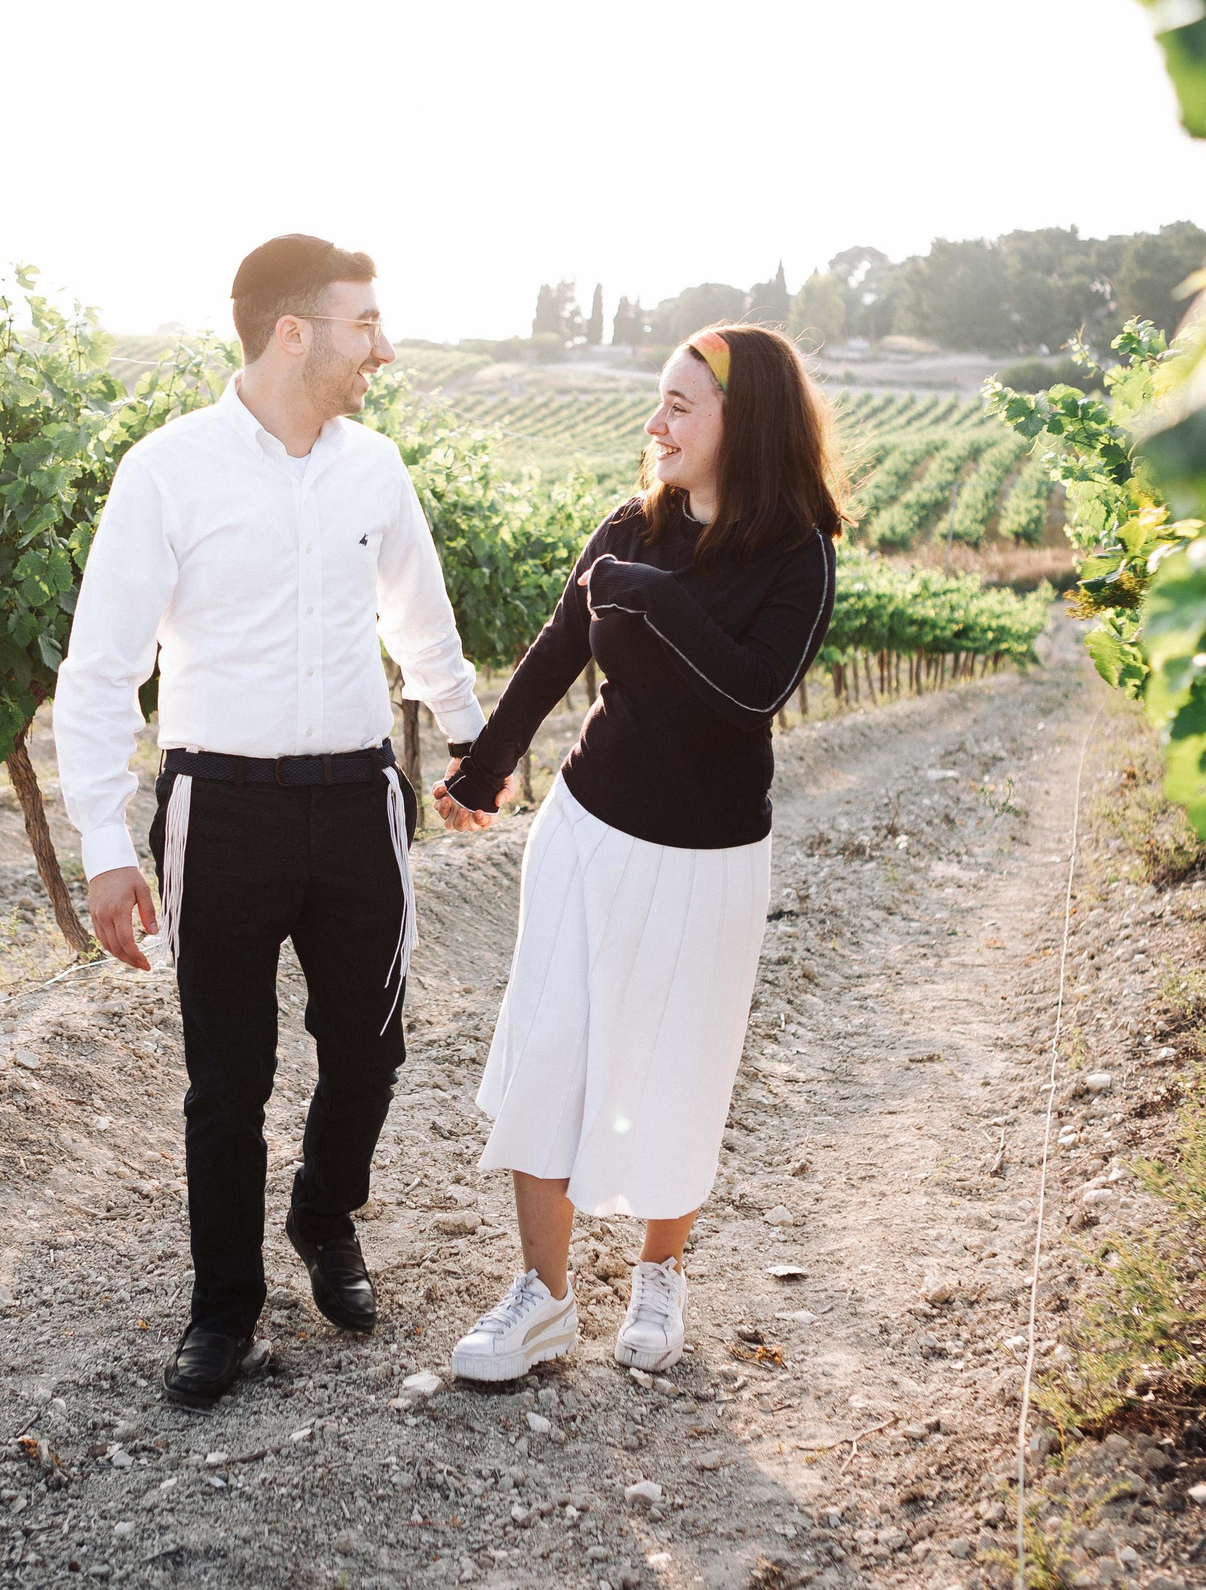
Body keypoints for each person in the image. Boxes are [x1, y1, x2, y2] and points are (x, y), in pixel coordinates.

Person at [52, 234, 488, 1409]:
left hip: (357, 801)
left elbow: (422, 623)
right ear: (292, 333)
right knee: (226, 1078)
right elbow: (101, 671)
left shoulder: (375, 469)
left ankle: (323, 1212)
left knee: (370, 1047)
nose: (382, 350)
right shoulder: (167, 471)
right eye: (365, 326)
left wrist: (472, 745)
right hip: (220, 807)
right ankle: (224, 1308)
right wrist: (104, 848)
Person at [431, 323, 844, 1381]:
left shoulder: (798, 555)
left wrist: (657, 598)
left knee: (680, 1063)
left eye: (678, 405)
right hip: (586, 831)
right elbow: (556, 652)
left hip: (707, 860)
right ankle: (543, 1297)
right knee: (550, 1051)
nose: (654, 422)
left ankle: (661, 1272)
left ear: (743, 422)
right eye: (657, 400)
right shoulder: (631, 526)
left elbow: (755, 690)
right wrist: (485, 766)